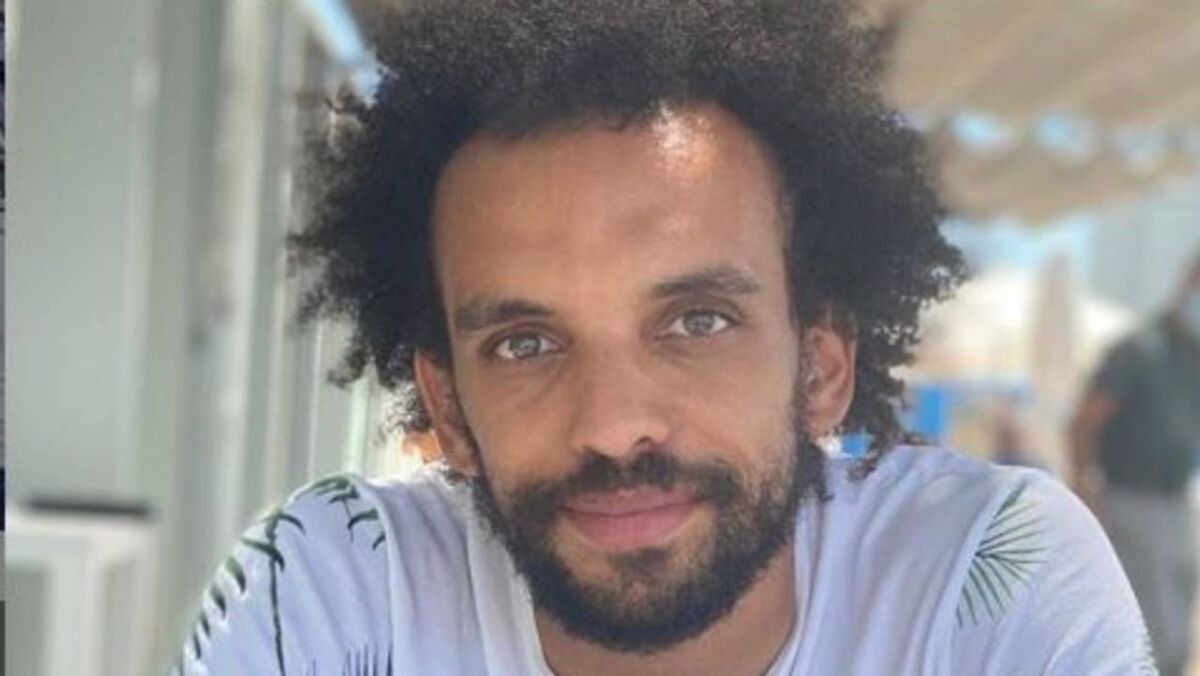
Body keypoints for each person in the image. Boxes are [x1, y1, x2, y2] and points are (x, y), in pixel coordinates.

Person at [175, 1, 1151, 673]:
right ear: (448, 408)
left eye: (696, 321)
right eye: (525, 341)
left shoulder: (982, 578)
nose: (613, 425)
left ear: (821, 365)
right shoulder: (337, 590)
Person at [1071, 254, 1200, 676]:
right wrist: (1086, 487)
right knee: (1150, 632)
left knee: (1177, 629)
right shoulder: (1138, 349)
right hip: (1129, 501)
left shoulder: (1192, 356)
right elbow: (1085, 422)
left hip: (1175, 504)